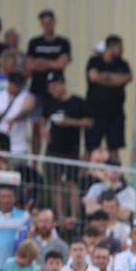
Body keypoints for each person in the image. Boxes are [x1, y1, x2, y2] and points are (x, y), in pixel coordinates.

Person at [42, 71, 91, 220]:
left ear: (62, 84)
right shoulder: (49, 102)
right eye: (49, 87)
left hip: (72, 150)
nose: (52, 90)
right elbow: (42, 118)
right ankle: (60, 217)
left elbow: (88, 122)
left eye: (54, 86)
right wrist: (43, 130)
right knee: (55, 184)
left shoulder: (77, 102)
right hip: (53, 150)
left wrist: (69, 122)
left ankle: (74, 217)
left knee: (72, 184)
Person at [25, 9, 72, 155]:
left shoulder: (63, 43)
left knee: (57, 126)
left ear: (54, 22)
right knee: (36, 127)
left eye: (49, 23)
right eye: (44, 23)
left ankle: (54, 157)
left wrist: (40, 62)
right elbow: (30, 65)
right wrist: (52, 62)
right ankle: (34, 162)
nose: (47, 26)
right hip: (37, 90)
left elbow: (61, 64)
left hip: (55, 92)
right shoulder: (34, 42)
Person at [84, 35, 132, 157]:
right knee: (91, 148)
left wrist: (107, 76)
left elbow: (127, 77)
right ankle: (85, 170)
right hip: (95, 113)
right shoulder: (95, 61)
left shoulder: (122, 63)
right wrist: (115, 80)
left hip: (116, 114)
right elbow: (94, 77)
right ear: (111, 47)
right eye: (119, 47)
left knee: (114, 149)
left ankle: (114, 168)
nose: (122, 50)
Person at [0, 72, 35, 153]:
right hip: (0, 145)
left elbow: (27, 110)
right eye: (13, 84)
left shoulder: (26, 97)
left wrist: (14, 119)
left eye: (17, 85)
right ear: (8, 83)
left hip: (18, 146)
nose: (14, 87)